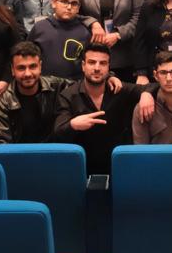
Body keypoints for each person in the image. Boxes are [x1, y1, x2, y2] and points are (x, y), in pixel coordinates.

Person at [52, 41, 138, 173]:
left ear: (109, 67)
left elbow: (153, 88)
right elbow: (58, 132)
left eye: (103, 63)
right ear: (83, 66)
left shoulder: (119, 89)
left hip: (119, 167)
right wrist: (73, 125)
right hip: (81, 168)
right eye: (92, 62)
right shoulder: (68, 95)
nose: (97, 68)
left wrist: (146, 95)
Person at [0, 42, 69, 144]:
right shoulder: (4, 102)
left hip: (54, 151)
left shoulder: (57, 86)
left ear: (40, 66)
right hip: (18, 153)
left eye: (33, 66)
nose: (28, 74)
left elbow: (82, 88)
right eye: (21, 68)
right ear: (12, 70)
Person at [28, 0, 95, 78]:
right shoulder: (40, 27)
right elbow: (27, 57)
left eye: (74, 3)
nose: (69, 7)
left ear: (78, 8)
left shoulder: (85, 32)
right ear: (53, 3)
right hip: (44, 83)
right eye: (64, 1)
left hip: (74, 84)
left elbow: (92, 61)